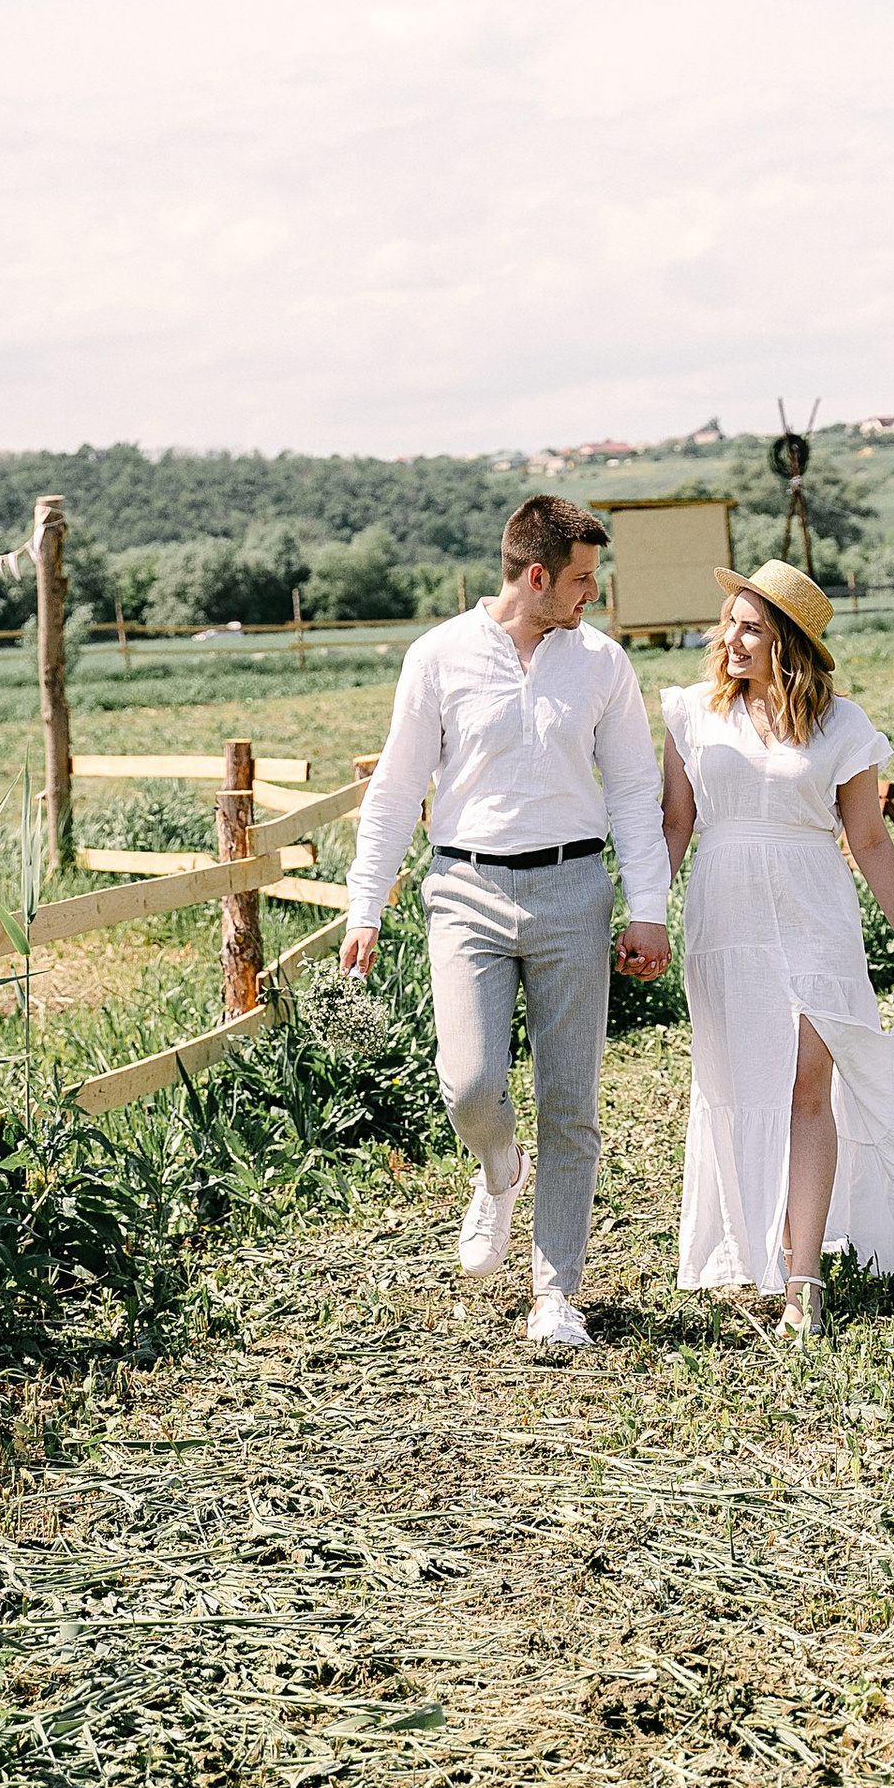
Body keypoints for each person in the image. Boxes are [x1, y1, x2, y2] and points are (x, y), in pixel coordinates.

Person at [341, 495, 671, 1354]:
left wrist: (647, 909)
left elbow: (635, 789)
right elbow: (396, 786)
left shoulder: (603, 664)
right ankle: (499, 1172)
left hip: (574, 891)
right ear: (536, 576)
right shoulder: (439, 656)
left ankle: (556, 1292)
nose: (591, 595)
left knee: (571, 1102)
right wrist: (364, 904)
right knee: (470, 1084)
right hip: (466, 891)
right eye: (582, 579)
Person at [659, 559, 894, 1338]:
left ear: (787, 641)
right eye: (729, 623)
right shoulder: (691, 713)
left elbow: (869, 838)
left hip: (816, 911)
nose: (730, 638)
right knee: (741, 1082)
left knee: (807, 1084)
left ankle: (804, 1279)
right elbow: (675, 824)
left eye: (750, 627)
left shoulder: (843, 725)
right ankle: (750, 1246)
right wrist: (645, 911)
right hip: (725, 918)